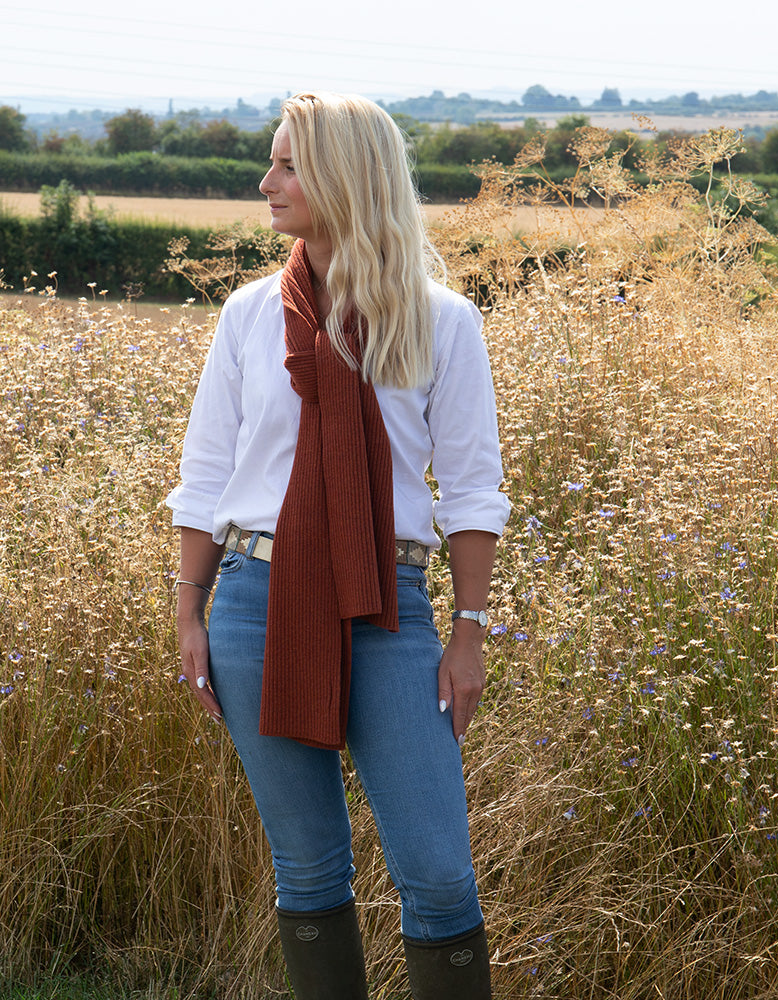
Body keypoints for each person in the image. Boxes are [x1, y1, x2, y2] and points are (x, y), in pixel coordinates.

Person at [166, 91, 509, 1000]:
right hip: (252, 603)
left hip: (390, 610)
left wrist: (469, 632)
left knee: (438, 876)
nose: (266, 181)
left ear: (346, 178)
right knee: (309, 872)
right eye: (272, 161)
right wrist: (188, 612)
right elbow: (205, 477)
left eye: (286, 163)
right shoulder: (246, 316)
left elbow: (474, 493)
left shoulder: (442, 321)